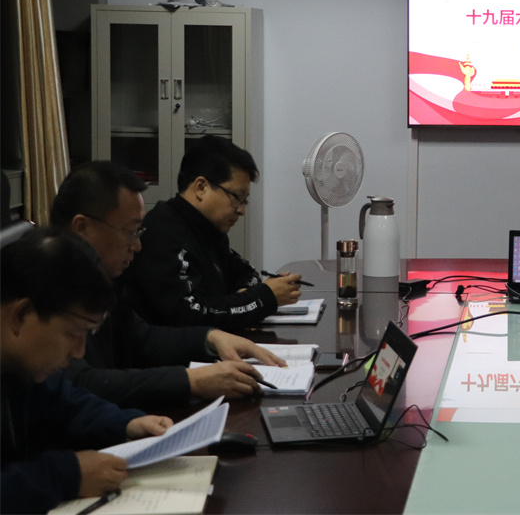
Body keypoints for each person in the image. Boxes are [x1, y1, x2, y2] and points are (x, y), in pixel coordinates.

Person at [51, 161, 287, 409]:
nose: (137, 246)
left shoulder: (101, 279)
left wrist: (211, 338)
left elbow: (141, 338)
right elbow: (79, 383)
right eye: (131, 231)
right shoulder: (48, 285)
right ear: (82, 228)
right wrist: (190, 381)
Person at [1, 229, 174, 514]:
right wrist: (65, 475)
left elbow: (65, 403)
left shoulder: (24, 366)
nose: (80, 352)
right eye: (73, 334)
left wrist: (126, 424)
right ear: (21, 315)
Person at [124, 136, 302, 330]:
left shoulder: (207, 228)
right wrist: (262, 297)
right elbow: (189, 314)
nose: (241, 210)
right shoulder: (163, 233)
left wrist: (248, 297)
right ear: (201, 187)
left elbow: (247, 273)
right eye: (237, 197)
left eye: (245, 200)